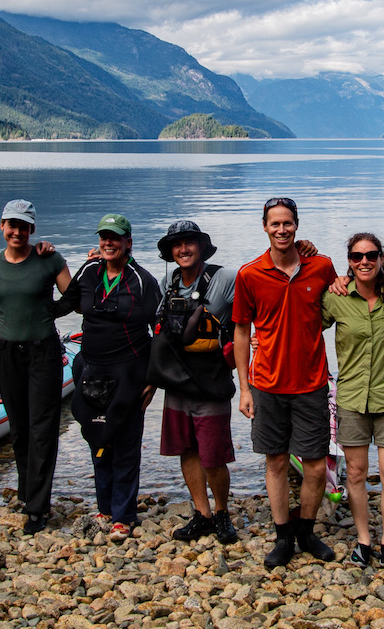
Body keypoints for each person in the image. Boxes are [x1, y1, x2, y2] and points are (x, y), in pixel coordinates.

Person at [232, 197, 338, 567]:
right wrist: (244, 388)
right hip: (267, 385)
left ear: (297, 225)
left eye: (287, 223)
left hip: (311, 383)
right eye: (274, 224)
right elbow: (242, 332)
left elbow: (337, 309)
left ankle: (306, 530)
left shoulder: (321, 267)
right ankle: (282, 536)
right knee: (275, 462)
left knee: (314, 465)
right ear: (264, 226)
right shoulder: (250, 274)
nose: (281, 230)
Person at [52, 215, 159, 543]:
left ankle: (124, 515)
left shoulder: (142, 281)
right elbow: (63, 306)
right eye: (104, 238)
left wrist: (153, 380)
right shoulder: (87, 272)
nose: (109, 243)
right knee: (97, 435)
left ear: (128, 242)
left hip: (130, 370)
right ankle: (104, 507)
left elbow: (159, 330)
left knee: (126, 441)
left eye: (116, 238)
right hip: (91, 369)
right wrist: (43, 266)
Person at [0, 199, 71, 535]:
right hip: (6, 352)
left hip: (43, 351)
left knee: (42, 428)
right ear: (2, 226)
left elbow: (71, 297)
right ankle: (27, 490)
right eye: (11, 225)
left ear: (32, 230)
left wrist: (49, 314)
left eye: (24, 226)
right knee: (18, 427)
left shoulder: (49, 259)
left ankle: (37, 507)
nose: (17, 232)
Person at [321, 233, 384, 568]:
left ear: (381, 259)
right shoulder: (336, 298)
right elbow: (306, 327)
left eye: (371, 255)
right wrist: (259, 341)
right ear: (349, 260)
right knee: (356, 474)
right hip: (352, 399)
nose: (365, 262)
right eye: (357, 256)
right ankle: (363, 539)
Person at [153, 220, 241, 545]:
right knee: (186, 448)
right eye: (177, 245)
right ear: (171, 251)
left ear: (202, 247)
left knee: (213, 455)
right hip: (176, 380)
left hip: (212, 380)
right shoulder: (168, 282)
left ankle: (221, 512)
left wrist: (252, 345)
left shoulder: (225, 278)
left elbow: (257, 302)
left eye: (190, 243)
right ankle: (201, 513)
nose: (183, 249)